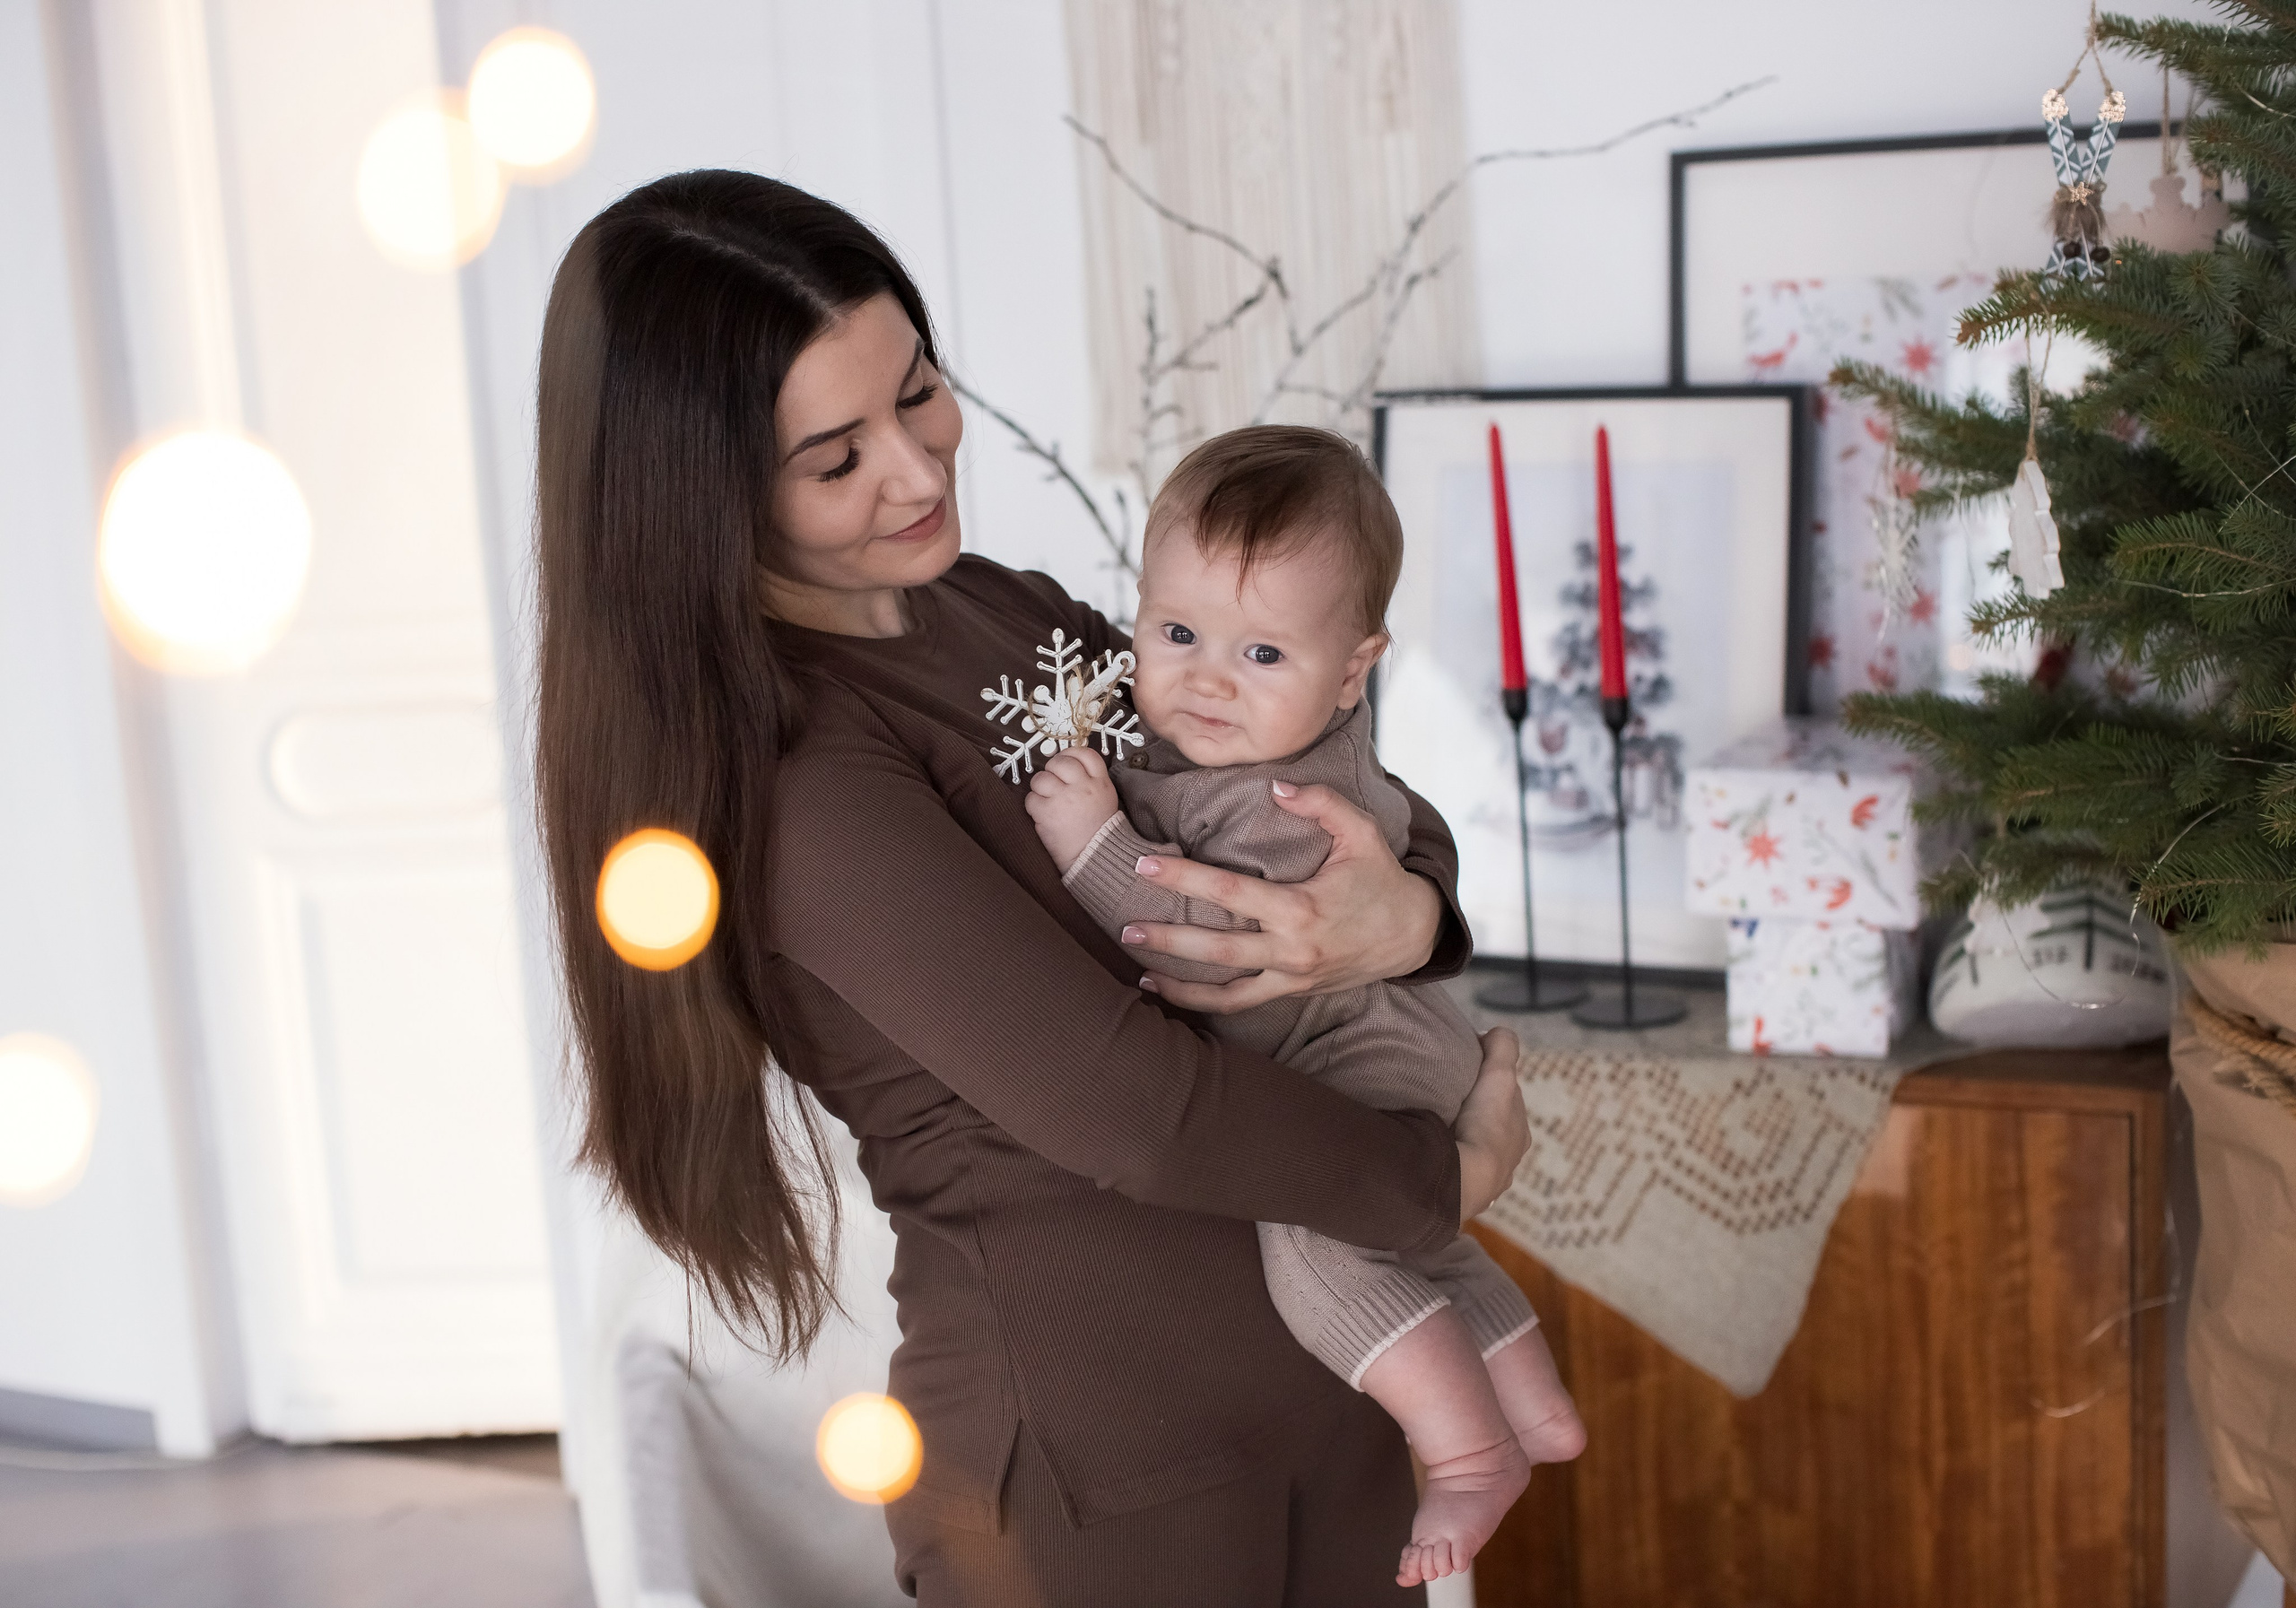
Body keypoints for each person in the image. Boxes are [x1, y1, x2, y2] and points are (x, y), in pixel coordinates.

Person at [532, 170, 1532, 1608]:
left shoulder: (989, 606)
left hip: (1326, 1391)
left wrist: (1415, 909)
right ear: (701, 495)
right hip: (1101, 1472)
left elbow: (1280, 771)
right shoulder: (801, 778)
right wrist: (1439, 1182)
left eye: (919, 390)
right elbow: (1131, 1104)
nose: (922, 470)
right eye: (838, 458)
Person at [1023, 426, 1586, 1589]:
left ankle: (1470, 1450)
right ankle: (1529, 1396)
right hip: (1397, 1036)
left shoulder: (1280, 796)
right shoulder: (1272, 740)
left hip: (1359, 1048)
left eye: (1262, 651)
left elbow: (1213, 941)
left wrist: (1092, 841)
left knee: (1315, 1241)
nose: (1208, 677)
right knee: (1404, 1238)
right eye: (1176, 632)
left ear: (1352, 670)